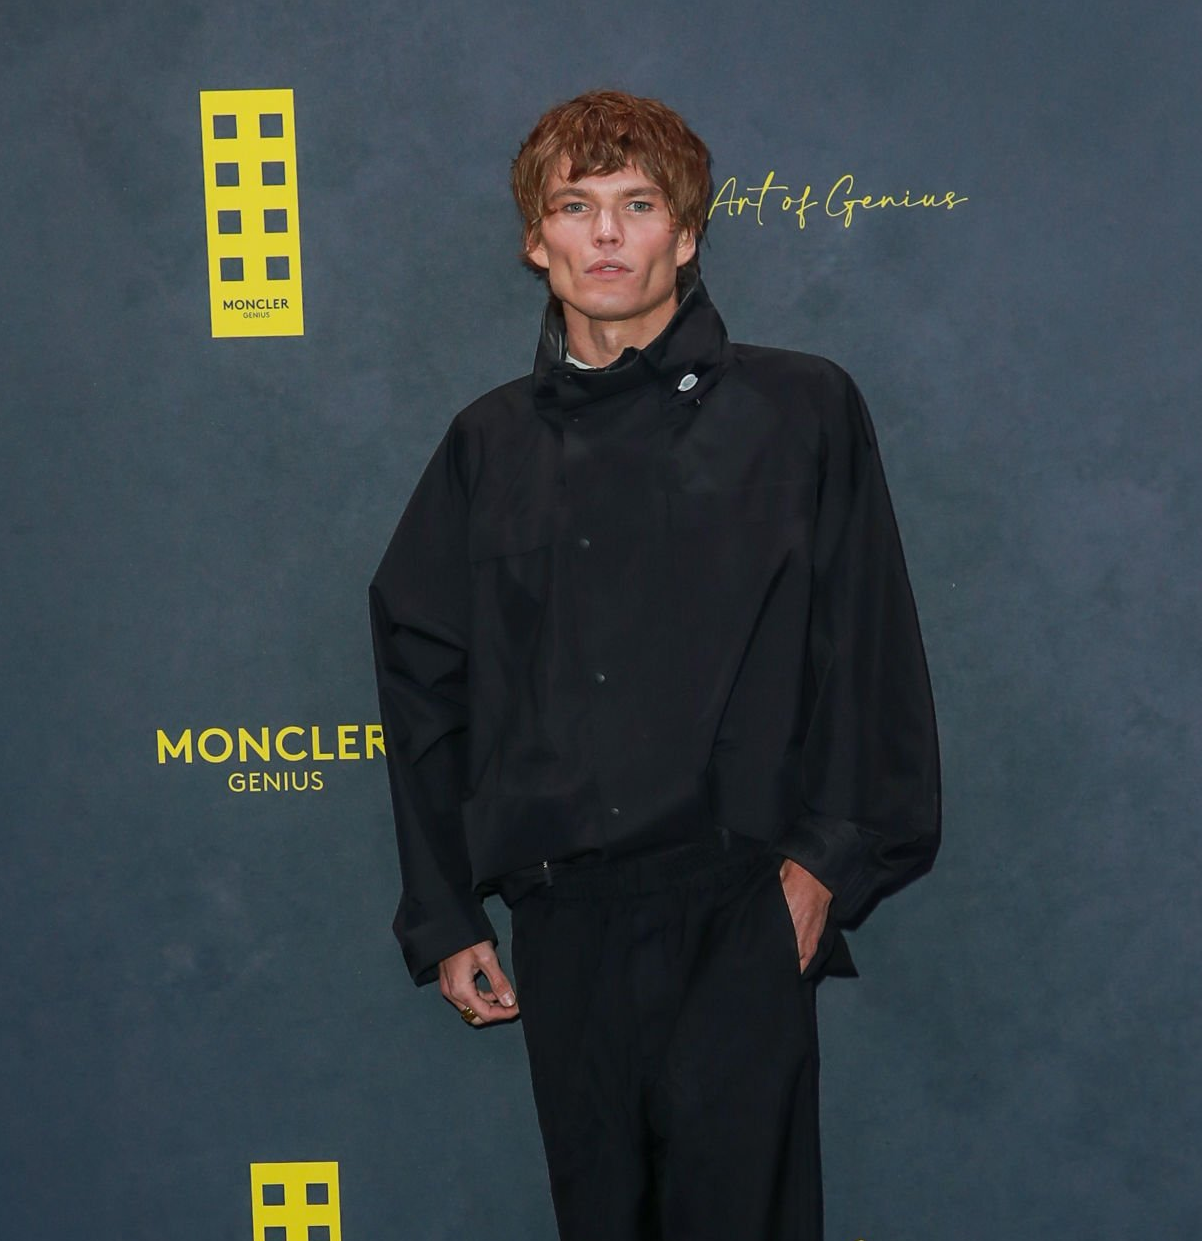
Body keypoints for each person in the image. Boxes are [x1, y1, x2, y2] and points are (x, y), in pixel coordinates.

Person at [369, 88, 940, 1241]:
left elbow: (866, 647)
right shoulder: (489, 442)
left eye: (637, 205)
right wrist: (444, 910)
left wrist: (822, 868)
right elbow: (424, 682)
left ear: (685, 232)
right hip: (565, 915)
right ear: (536, 240)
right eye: (574, 206)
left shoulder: (800, 407)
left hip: (738, 900)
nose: (606, 233)